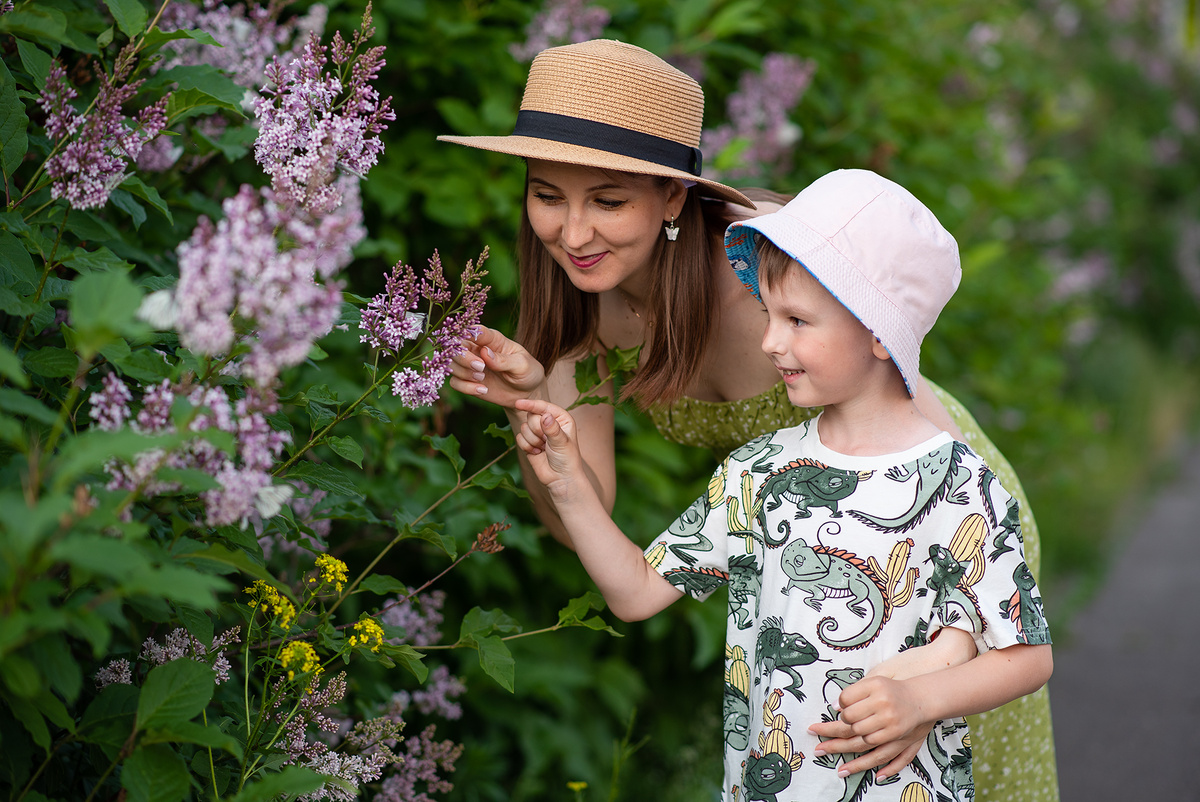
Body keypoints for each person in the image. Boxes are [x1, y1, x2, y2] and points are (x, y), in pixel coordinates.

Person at [441, 39, 1059, 801]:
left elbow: (934, 465)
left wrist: (939, 667)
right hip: (796, 532)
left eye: (607, 200)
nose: (572, 233)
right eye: (547, 195)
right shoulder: (580, 305)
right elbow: (584, 523)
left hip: (933, 524)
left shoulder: (775, 268)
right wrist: (532, 406)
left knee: (944, 770)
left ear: (672, 195)